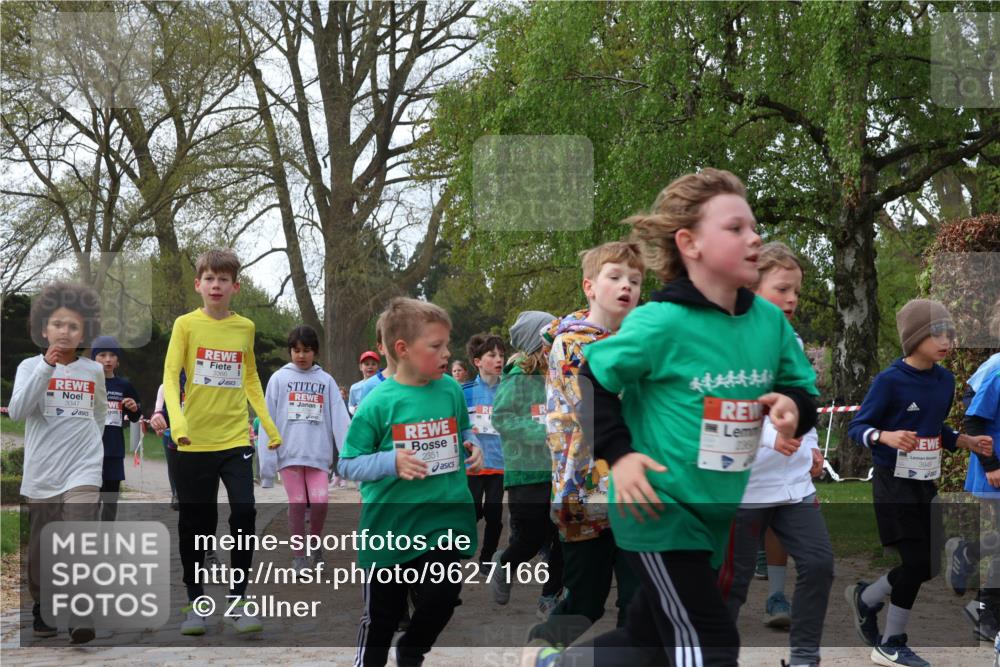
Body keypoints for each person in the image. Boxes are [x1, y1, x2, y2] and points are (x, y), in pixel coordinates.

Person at [526, 168, 820, 667]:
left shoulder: (768, 322)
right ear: (690, 243)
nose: (754, 238)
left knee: (649, 640)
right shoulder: (659, 321)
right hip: (658, 509)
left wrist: (795, 409)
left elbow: (801, 389)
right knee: (711, 643)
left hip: (716, 513)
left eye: (754, 227)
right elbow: (592, 382)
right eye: (735, 228)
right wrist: (619, 457)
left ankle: (557, 663)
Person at [845, 298, 993, 667]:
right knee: (914, 562)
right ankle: (892, 642)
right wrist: (885, 437)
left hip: (925, 482)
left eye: (950, 333)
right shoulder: (890, 381)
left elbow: (935, 430)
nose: (946, 341)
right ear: (914, 339)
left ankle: (866, 599)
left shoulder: (945, 380)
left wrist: (967, 441)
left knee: (927, 566)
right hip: (892, 484)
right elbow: (857, 427)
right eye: (936, 333)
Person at [338, 297, 484, 667]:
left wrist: (473, 444)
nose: (446, 353)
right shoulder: (378, 402)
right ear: (401, 349)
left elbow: (463, 428)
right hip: (391, 527)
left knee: (443, 598)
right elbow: (348, 464)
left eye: (446, 345)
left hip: (442, 521)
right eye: (436, 346)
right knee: (382, 620)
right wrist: (390, 461)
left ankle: (412, 649)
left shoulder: (450, 389)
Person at [719, 242, 833, 667]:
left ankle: (804, 658)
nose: (792, 300)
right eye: (782, 289)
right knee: (731, 585)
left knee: (820, 565)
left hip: (793, 487)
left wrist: (812, 444)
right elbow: (717, 412)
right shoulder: (725, 341)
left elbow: (806, 403)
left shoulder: (794, 342)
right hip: (741, 489)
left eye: (797, 292)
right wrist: (769, 438)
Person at [528, 241, 644, 647]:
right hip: (586, 490)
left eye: (635, 279)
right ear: (590, 287)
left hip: (636, 491)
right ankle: (541, 651)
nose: (626, 286)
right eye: (615, 277)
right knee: (585, 603)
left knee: (640, 602)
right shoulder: (572, 343)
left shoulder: (637, 337)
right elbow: (600, 406)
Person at [162, 248, 283, 637]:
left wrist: (268, 426)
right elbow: (170, 376)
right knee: (197, 524)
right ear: (198, 284)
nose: (216, 285)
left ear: (236, 286)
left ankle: (237, 600)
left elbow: (250, 379)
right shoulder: (185, 325)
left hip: (234, 438)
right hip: (192, 441)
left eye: (223, 279)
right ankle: (196, 604)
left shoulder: (244, 328)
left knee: (245, 513)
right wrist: (178, 425)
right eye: (209, 279)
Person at [10, 282, 106, 643]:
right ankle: (42, 604)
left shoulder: (93, 371)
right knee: (41, 552)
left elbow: (98, 415)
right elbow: (18, 411)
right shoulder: (29, 367)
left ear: (85, 332)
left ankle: (81, 613)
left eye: (74, 326)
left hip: (82, 469)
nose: (65, 332)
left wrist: (89, 452)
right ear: (44, 329)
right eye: (59, 325)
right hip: (43, 473)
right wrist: (45, 368)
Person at [258, 325, 351, 570]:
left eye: (307, 350)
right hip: (289, 456)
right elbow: (267, 419)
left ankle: (314, 544)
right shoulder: (279, 379)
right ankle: (299, 556)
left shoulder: (326, 381)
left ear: (315, 352)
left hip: (318, 456)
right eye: (296, 350)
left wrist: (351, 458)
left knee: (320, 501)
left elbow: (341, 421)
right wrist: (267, 466)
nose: (301, 355)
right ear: (290, 351)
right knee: (297, 502)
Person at [491, 310, 564, 619]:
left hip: (559, 471)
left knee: (563, 536)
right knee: (531, 538)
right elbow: (501, 418)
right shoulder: (518, 375)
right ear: (537, 341)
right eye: (549, 335)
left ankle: (550, 596)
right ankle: (505, 564)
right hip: (525, 473)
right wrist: (544, 432)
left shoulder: (560, 372)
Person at [946, 299, 1000, 642]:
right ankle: (984, 611)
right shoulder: (997, 369)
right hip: (994, 467)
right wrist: (992, 465)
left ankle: (967, 550)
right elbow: (973, 419)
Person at [463, 332, 507, 566]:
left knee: (494, 516)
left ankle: (487, 558)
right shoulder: (465, 392)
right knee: (471, 512)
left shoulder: (510, 391)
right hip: (472, 465)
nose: (499, 359)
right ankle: (462, 550)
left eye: (501, 354)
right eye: (492, 355)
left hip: (499, 465)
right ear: (477, 361)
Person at [90, 335, 141, 522]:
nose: (107, 359)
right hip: (89, 450)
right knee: (90, 500)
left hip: (113, 451)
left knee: (110, 501)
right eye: (102, 355)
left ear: (118, 361)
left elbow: (136, 415)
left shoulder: (124, 385)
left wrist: (134, 408)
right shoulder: (88, 383)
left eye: (112, 355)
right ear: (93, 359)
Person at [348, 350, 381, 415]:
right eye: (367, 364)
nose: (370, 367)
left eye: (373, 364)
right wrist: (354, 410)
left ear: (378, 367)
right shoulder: (354, 387)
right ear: (360, 367)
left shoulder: (382, 385)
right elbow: (350, 405)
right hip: (362, 419)